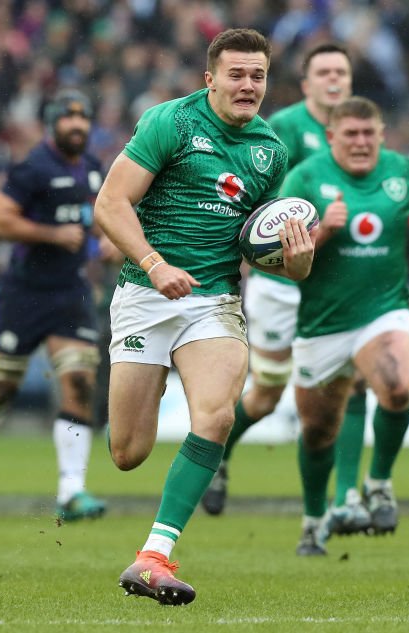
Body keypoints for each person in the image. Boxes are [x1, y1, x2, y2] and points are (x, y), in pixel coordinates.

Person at [94, 28, 313, 605]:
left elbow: (260, 251)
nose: (248, 86)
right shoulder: (171, 122)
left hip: (213, 300)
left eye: (258, 75)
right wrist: (153, 262)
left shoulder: (271, 151)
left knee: (215, 418)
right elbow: (110, 203)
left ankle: (153, 556)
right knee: (128, 451)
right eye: (237, 74)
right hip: (147, 291)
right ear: (210, 78)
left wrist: (298, 262)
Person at [202, 44, 375, 530]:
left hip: (335, 281)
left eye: (341, 70)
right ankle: (219, 457)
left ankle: (345, 498)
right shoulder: (282, 131)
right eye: (324, 72)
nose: (334, 79)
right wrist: (315, 233)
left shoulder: (359, 135)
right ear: (307, 84)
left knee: (350, 381)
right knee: (266, 395)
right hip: (281, 282)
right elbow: (262, 209)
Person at [0, 89, 108, 524]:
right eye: (68, 119)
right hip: (25, 294)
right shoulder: (32, 168)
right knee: (1, 392)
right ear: (51, 124)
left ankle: (71, 491)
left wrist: (108, 243)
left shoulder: (92, 168)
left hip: (70, 293)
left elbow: (97, 219)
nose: (78, 125)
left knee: (80, 383)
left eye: (83, 118)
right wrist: (53, 235)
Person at [279, 96, 409, 555]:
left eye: (369, 133)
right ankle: (313, 518)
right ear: (330, 137)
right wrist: (321, 232)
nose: (361, 142)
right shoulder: (305, 178)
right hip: (322, 323)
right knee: (318, 431)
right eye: (351, 134)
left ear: (382, 133)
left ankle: (378, 482)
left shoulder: (406, 172)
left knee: (397, 388)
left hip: (384, 310)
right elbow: (272, 259)